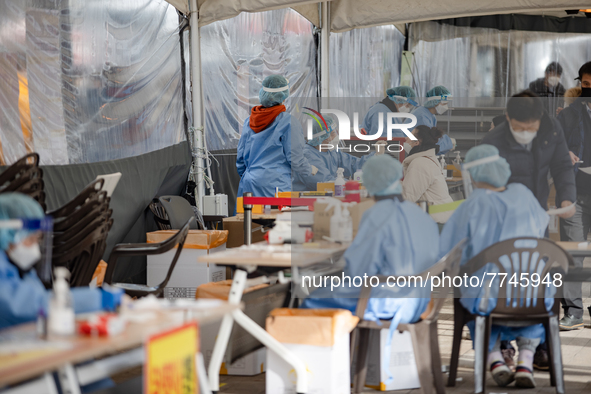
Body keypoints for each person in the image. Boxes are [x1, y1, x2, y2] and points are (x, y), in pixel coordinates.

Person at [440, 145, 550, 388]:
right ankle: (526, 362)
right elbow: (541, 230)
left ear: (474, 173)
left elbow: (446, 251)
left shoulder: (472, 205)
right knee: (528, 299)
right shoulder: (524, 194)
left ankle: (494, 359)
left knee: (467, 297)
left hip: (488, 298)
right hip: (534, 295)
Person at [301, 155, 438, 327]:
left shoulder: (376, 215)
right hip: (420, 302)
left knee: (313, 298)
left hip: (386, 302)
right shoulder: (421, 215)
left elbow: (359, 270)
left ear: (368, 183)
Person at [0, 193, 122, 329]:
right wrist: (103, 299)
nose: (35, 250)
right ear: (5, 234)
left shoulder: (18, 268)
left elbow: (39, 299)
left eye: (37, 240)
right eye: (30, 240)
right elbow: (32, 305)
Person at [236, 75, 317, 197]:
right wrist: (310, 170)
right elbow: (295, 158)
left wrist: (252, 175)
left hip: (249, 184)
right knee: (275, 216)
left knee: (248, 216)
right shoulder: (288, 122)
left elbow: (240, 158)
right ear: (284, 96)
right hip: (275, 186)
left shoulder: (249, 121)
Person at [555, 61, 591, 331]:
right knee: (572, 254)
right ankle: (573, 311)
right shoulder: (568, 116)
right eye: (585, 85)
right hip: (575, 194)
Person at [292, 117, 385, 191]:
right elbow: (325, 182)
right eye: (333, 133)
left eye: (336, 132)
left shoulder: (331, 150)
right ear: (321, 138)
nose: (336, 136)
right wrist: (354, 184)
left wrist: (376, 155)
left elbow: (352, 164)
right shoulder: (308, 156)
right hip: (304, 203)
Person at [401, 126, 453, 206]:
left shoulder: (420, 163)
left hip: (436, 216)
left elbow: (407, 197)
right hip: (440, 213)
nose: (405, 138)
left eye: (409, 135)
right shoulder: (427, 159)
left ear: (416, 142)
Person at [411, 85, 454, 154]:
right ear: (435, 101)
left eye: (447, 104)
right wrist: (448, 142)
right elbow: (429, 141)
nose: (446, 107)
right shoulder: (422, 116)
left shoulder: (430, 116)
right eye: (444, 103)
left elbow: (433, 137)